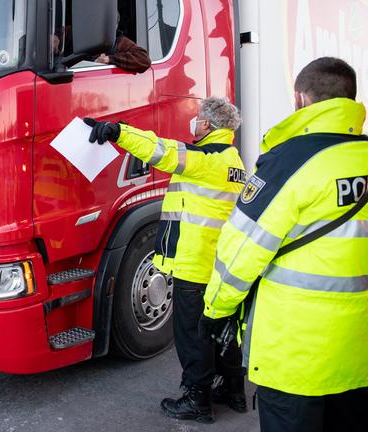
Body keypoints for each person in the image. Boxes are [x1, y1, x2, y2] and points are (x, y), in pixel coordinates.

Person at [200, 57, 368, 432]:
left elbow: (240, 250)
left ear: (300, 100)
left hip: (296, 353)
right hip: (361, 347)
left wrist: (214, 311)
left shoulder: (290, 162)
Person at [84, 96, 246, 423]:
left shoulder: (205, 158)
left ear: (207, 125)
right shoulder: (233, 160)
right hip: (218, 262)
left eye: (198, 117)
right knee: (219, 330)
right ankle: (233, 391)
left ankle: (196, 400)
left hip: (194, 263)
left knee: (192, 335)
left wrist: (117, 132)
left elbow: (160, 150)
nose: (194, 122)